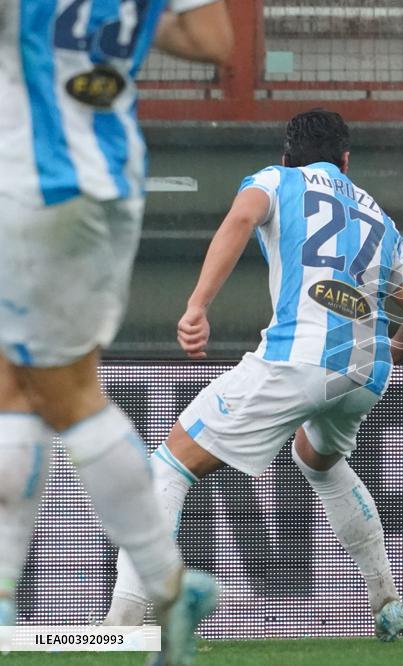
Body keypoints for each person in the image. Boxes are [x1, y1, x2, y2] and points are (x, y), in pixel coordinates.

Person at [102, 109, 403, 642]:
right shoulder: (379, 216)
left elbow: (240, 219)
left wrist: (197, 306)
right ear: (346, 161)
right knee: (319, 460)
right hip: (365, 373)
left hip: (296, 358)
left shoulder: (274, 179)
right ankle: (388, 606)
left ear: (288, 156)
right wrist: (385, 357)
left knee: (169, 464)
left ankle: (120, 625)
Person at [0, 2, 232, 664]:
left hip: (34, 181)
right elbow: (215, 38)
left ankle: (165, 587)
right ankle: (164, 591)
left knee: (61, 393)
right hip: (111, 178)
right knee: (29, 383)